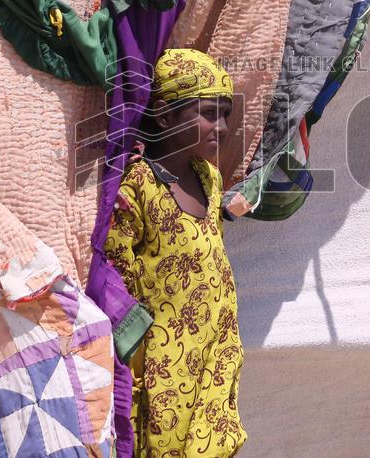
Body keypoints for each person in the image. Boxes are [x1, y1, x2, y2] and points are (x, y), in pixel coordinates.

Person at [105, 48, 246, 456]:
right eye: (207, 113)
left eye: (224, 114)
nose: (220, 127)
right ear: (165, 116)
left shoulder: (210, 177)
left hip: (215, 354)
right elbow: (120, 290)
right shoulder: (135, 189)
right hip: (163, 372)